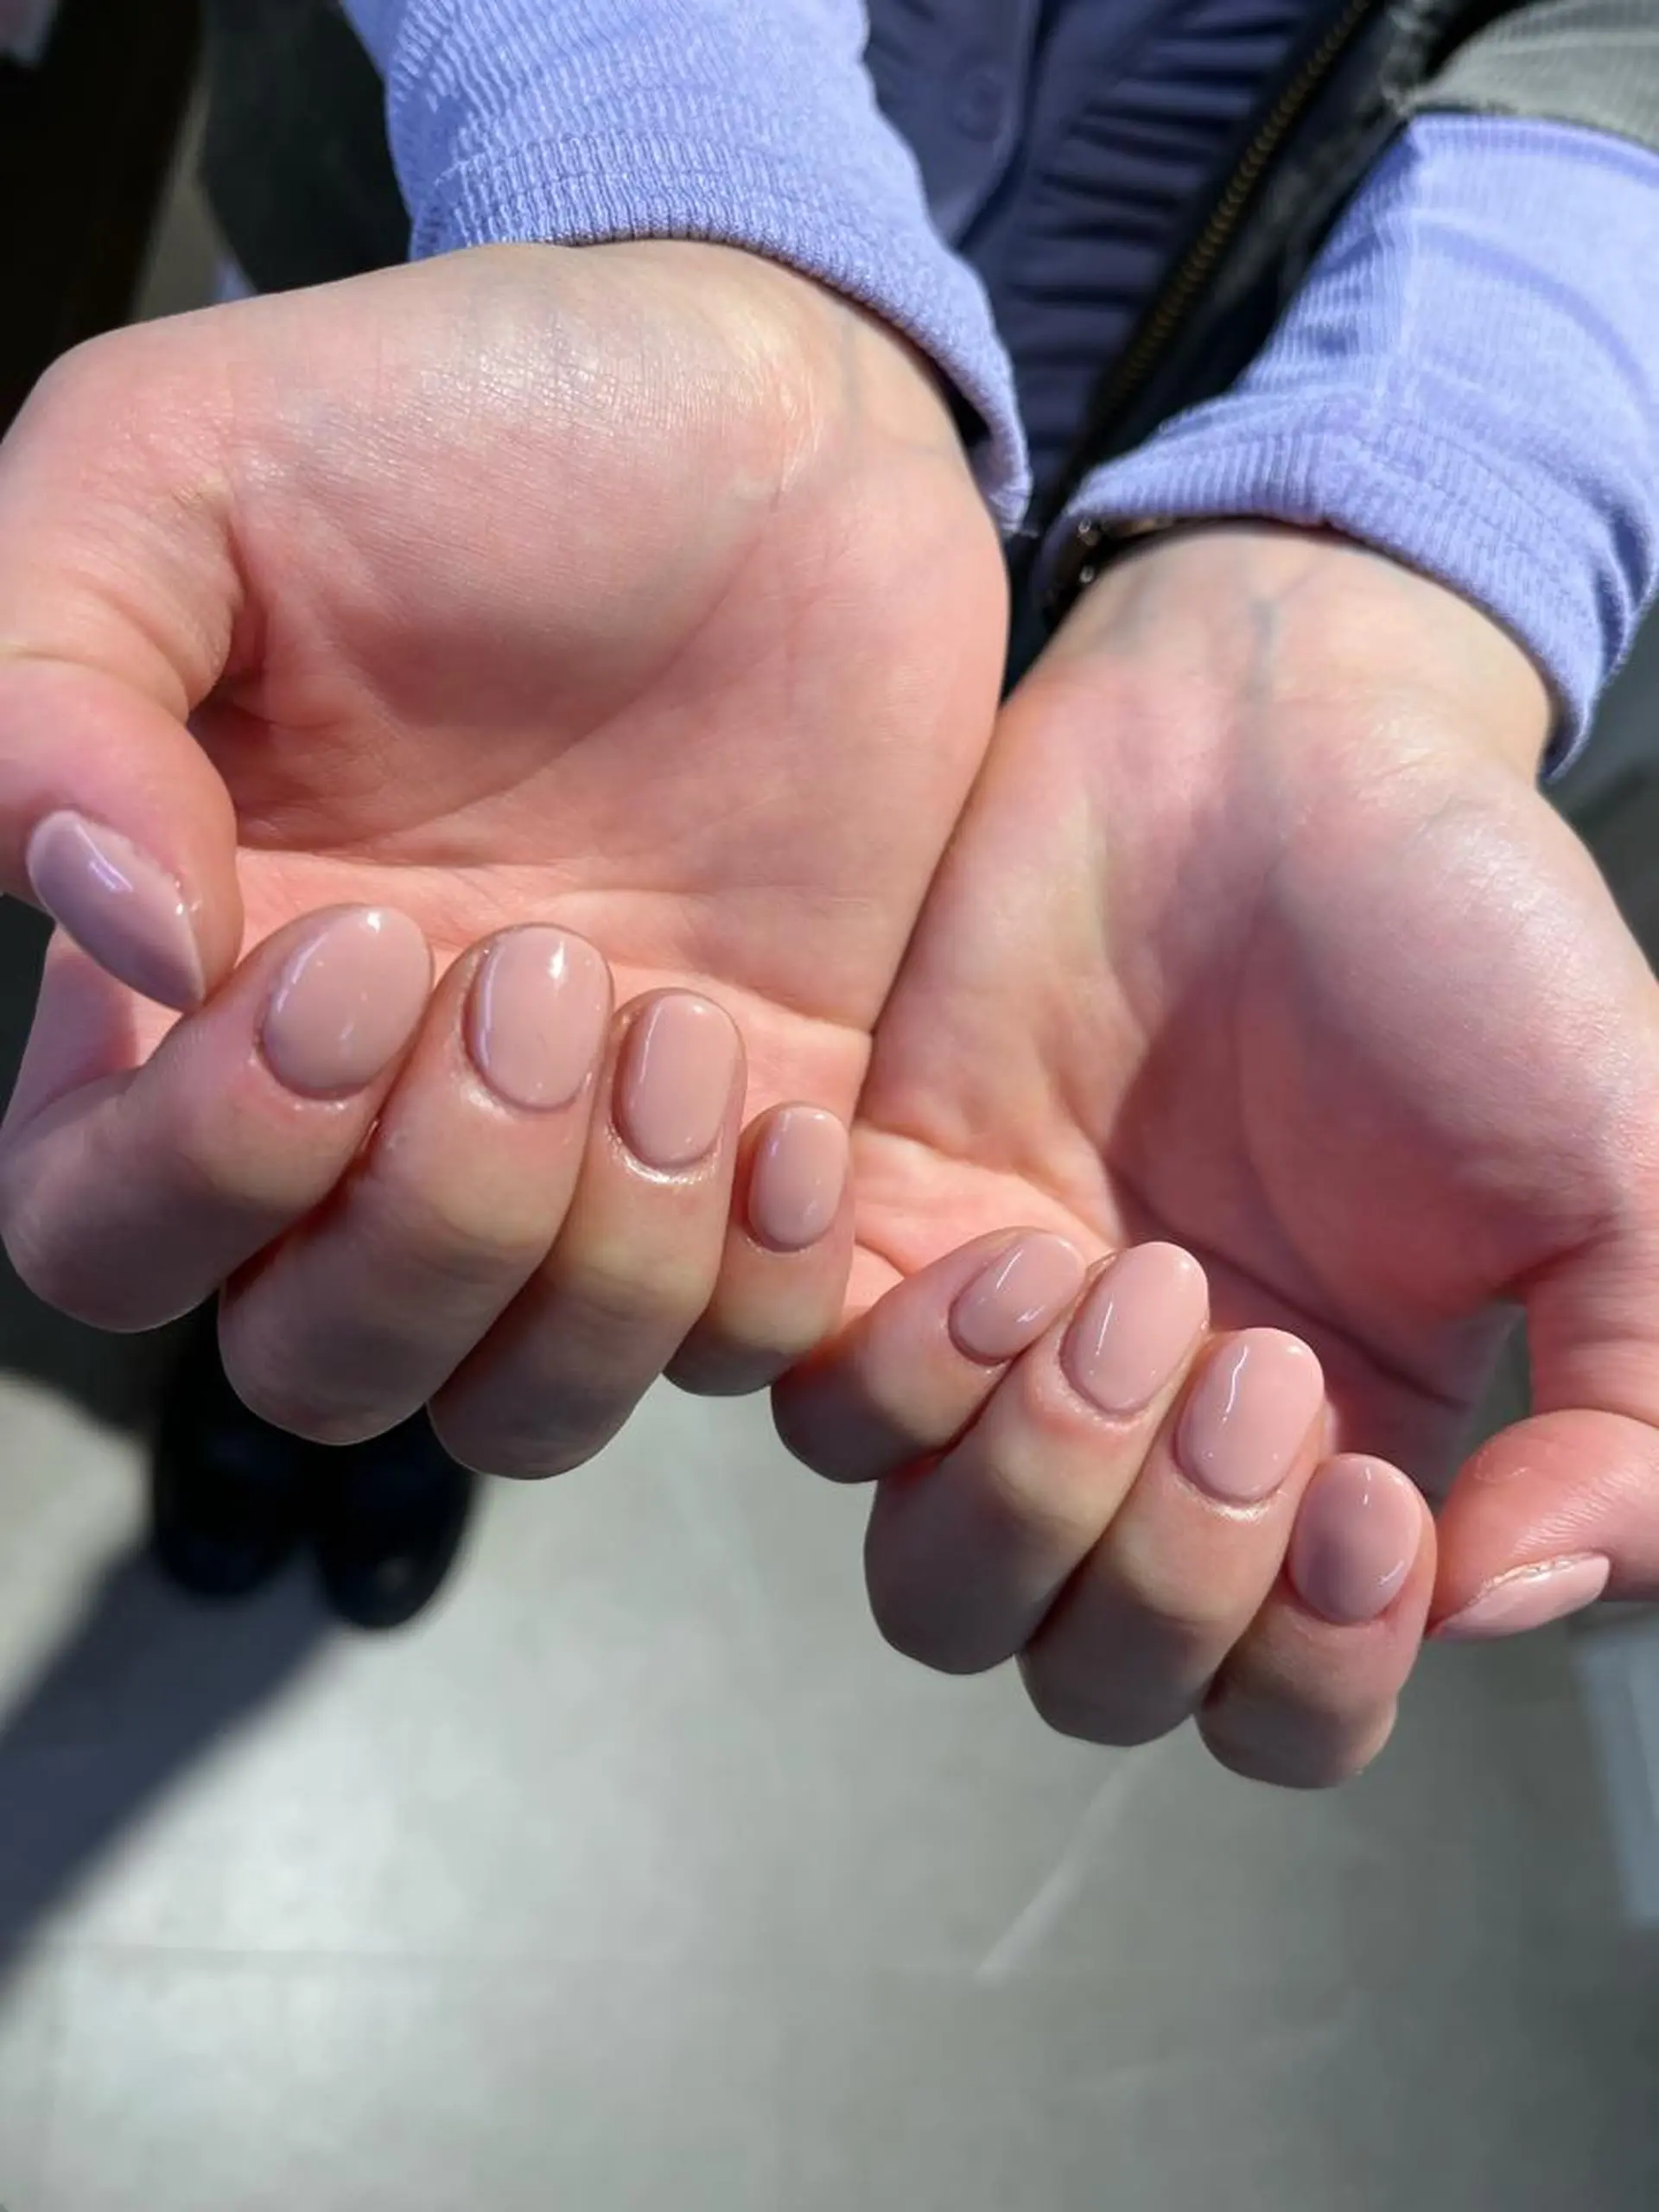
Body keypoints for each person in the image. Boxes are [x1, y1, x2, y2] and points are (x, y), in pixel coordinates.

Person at [1, 0, 1656, 1786]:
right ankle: (334, 1333)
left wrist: (1399, 545)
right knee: (362, 1027)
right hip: (459, 264)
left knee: (613, 1120)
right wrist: (664, 170)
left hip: (1186, 424)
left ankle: (411, 1365)